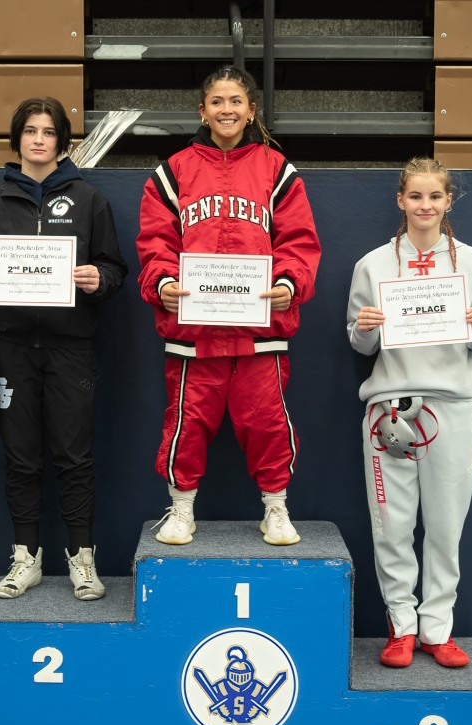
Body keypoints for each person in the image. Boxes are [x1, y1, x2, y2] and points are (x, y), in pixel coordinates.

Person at [136, 66, 321, 546]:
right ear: (202, 110)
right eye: (217, 101)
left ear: (251, 110)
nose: (226, 110)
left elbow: (299, 241)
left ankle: (276, 507)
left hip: (260, 331)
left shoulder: (277, 169)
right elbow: (155, 243)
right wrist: (163, 282)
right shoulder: (172, 171)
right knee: (186, 424)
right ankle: (181, 509)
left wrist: (289, 282)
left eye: (236, 101)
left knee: (268, 424)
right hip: (193, 334)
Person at [0, 97, 127, 601]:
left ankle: (82, 559)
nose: (39, 140)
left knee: (74, 458)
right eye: (30, 131)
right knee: (20, 458)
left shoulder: (90, 201)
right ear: (17, 138)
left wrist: (99, 278)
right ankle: (25, 557)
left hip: (71, 349)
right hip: (13, 349)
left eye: (49, 131)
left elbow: (115, 269)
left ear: (62, 141)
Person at [346, 157, 472, 669]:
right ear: (401, 200)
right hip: (389, 408)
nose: (425, 205)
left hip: (452, 405)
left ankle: (437, 627)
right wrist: (365, 327)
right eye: (415, 196)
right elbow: (360, 343)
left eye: (435, 196)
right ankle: (401, 624)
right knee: (391, 525)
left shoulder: (471, 262)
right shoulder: (373, 264)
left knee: (445, 525)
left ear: (448, 201)